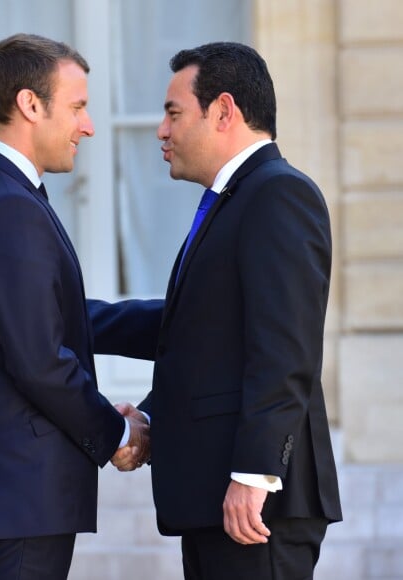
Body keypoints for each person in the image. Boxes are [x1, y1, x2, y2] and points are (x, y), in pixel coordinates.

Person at [90, 41, 342, 579]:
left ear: (223, 111)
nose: (161, 129)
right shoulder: (236, 200)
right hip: (217, 497)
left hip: (254, 505)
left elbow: (285, 349)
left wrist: (252, 475)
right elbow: (199, 334)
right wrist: (151, 413)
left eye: (173, 112)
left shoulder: (278, 195)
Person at [0, 33, 150, 580]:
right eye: (77, 107)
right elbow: (39, 359)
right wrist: (117, 433)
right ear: (29, 104)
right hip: (18, 491)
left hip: (2, 492)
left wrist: (175, 320)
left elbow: (42, 320)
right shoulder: (6, 205)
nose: (88, 125)